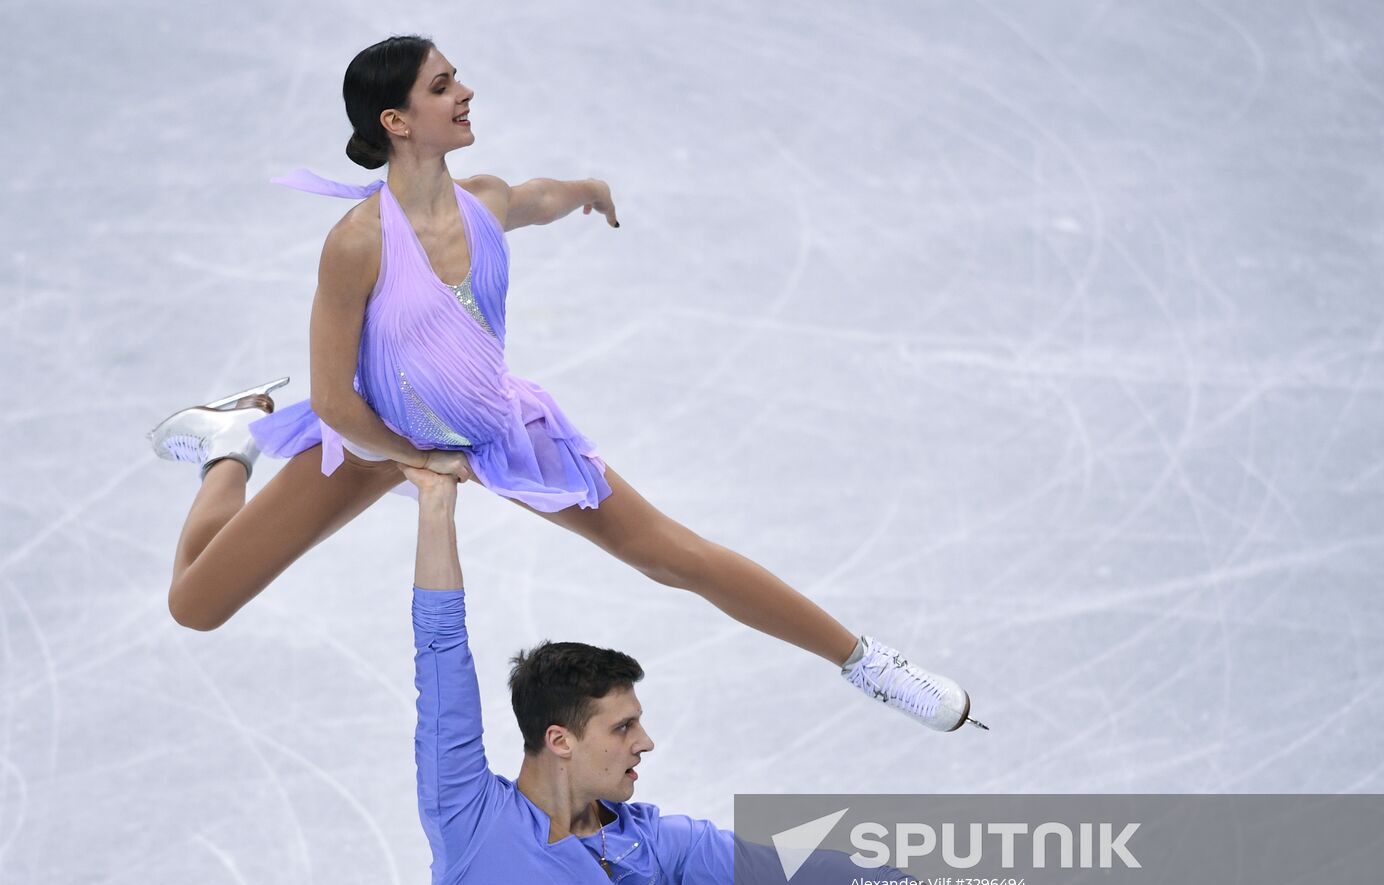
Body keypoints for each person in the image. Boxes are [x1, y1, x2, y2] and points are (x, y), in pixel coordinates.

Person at [146, 33, 984, 733]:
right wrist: (418, 461)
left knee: (671, 556)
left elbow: (537, 198)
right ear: (396, 121)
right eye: (442, 86)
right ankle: (230, 445)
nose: (465, 92)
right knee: (197, 605)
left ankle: (866, 663)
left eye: (457, 77)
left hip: (500, 432)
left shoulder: (482, 201)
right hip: (376, 440)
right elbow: (334, 401)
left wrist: (586, 191)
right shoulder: (356, 243)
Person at [400, 460, 1048, 885]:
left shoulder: (651, 848)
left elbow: (791, 874)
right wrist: (435, 504)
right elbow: (440, 653)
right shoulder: (467, 814)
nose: (645, 742)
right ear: (559, 739)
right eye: (623, 728)